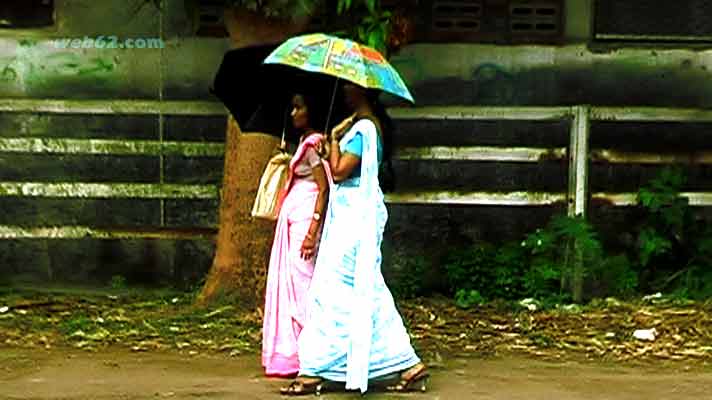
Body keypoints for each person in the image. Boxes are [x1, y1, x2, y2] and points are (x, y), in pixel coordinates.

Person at [281, 83, 428, 395]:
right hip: (354, 215)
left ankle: (315, 369)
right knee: (364, 285)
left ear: (361, 92)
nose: (344, 91)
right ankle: (405, 363)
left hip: (354, 219)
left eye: (349, 87)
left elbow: (338, 172)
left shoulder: (363, 128)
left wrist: (333, 140)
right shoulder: (365, 126)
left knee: (337, 285)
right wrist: (331, 147)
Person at [262, 93, 331, 377]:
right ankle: (292, 353)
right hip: (295, 216)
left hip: (305, 220)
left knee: (303, 282)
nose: (293, 113)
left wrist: (312, 231)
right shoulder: (305, 144)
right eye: (291, 107)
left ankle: (312, 351)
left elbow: (323, 187)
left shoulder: (314, 145)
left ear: (311, 111)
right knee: (291, 280)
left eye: (298, 107)